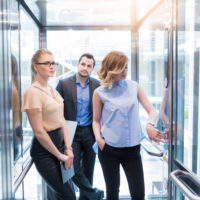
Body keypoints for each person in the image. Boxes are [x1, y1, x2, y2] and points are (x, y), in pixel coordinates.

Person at [92, 51, 165, 200]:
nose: (126, 71)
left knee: (138, 194)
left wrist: (149, 125)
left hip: (132, 149)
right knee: (112, 193)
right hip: (108, 149)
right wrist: (99, 140)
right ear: (112, 68)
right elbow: (96, 121)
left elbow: (152, 110)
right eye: (122, 68)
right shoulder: (99, 93)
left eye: (126, 67)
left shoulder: (134, 87)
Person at [22, 49, 76, 200]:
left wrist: (68, 148)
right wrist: (60, 155)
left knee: (62, 194)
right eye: (47, 63)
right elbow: (39, 131)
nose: (52, 66)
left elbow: (62, 121)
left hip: (60, 145)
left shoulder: (52, 89)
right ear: (36, 67)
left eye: (53, 63)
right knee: (68, 196)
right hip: (44, 152)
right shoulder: (32, 92)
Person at [56, 53, 104, 200]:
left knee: (89, 169)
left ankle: (86, 197)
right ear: (78, 64)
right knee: (72, 168)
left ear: (92, 68)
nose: (85, 68)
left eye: (89, 66)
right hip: (71, 131)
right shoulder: (63, 84)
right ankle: (94, 193)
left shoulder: (97, 85)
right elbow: (57, 110)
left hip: (90, 131)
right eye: (83, 64)